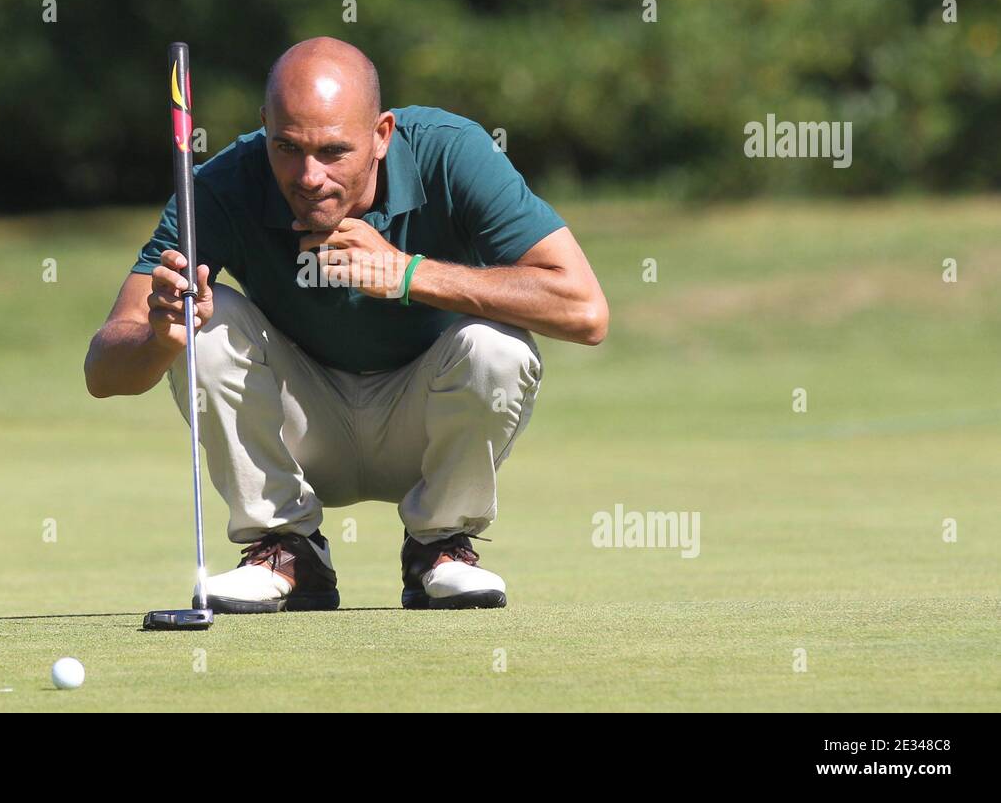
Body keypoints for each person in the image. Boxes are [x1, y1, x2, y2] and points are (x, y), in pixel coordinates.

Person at [85, 36, 608, 612]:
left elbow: (584, 311)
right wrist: (161, 338)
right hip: (300, 428)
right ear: (265, 125)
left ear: (382, 134)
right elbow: (104, 372)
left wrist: (406, 274)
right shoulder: (220, 184)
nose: (309, 176)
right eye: (286, 147)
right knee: (205, 321)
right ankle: (285, 550)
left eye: (334, 151)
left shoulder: (451, 154)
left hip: (425, 426)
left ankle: (440, 548)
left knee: (496, 346)